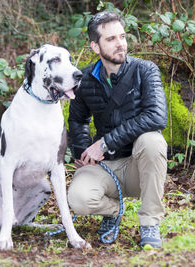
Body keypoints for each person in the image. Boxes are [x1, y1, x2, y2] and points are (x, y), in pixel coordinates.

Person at [67, 11, 167, 249]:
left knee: (152, 141)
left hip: (138, 167)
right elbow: (77, 120)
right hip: (106, 167)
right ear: (95, 46)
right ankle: (113, 211)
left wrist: (103, 143)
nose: (120, 43)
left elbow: (156, 116)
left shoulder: (146, 70)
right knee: (78, 198)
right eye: (111, 39)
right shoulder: (85, 79)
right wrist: (82, 152)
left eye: (122, 36)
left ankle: (149, 222)